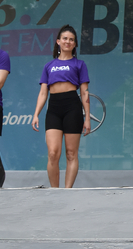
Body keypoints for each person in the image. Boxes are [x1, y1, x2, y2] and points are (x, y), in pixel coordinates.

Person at [32, 25, 91, 188]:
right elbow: (43, 93)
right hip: (54, 107)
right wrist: (36, 113)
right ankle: (55, 191)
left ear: (75, 44)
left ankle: (67, 191)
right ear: (58, 41)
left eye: (71, 39)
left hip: (72, 106)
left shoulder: (80, 64)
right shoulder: (49, 65)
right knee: (52, 153)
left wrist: (87, 117)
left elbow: (85, 92)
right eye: (65, 38)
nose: (68, 41)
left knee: (71, 153)